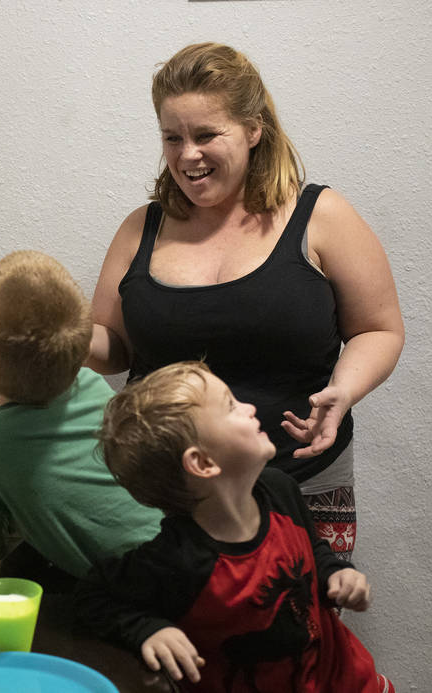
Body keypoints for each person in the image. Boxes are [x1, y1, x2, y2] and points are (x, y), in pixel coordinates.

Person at [87, 42, 404, 561]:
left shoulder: (320, 216)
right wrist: (63, 339)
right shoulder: (139, 229)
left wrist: (344, 391)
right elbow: (115, 348)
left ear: (253, 130)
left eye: (207, 134)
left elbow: (378, 329)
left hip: (302, 483)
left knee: (299, 629)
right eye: (172, 137)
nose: (187, 154)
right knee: (166, 633)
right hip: (163, 494)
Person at [75, 361, 393, 692]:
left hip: (348, 679)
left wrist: (335, 574)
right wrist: (148, 630)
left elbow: (313, 550)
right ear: (202, 463)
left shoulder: (280, 489)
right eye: (230, 406)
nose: (250, 407)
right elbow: (93, 596)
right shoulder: (177, 561)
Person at [0, 250, 163, 578]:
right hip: (185, 551)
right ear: (83, 352)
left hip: (131, 595)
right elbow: (64, 491)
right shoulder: (94, 386)